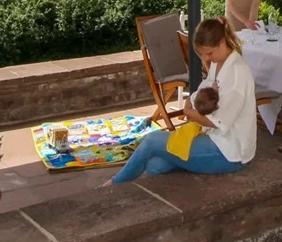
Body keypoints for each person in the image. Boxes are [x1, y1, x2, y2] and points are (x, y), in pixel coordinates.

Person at [110, 18, 257, 184]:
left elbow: (216, 122)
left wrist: (189, 112)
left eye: (209, 53)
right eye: (202, 54)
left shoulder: (237, 74)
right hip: (214, 139)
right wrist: (194, 101)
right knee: (155, 166)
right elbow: (204, 90)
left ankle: (113, 185)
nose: (206, 58)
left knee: (152, 140)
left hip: (229, 152)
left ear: (223, 42)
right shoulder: (220, 61)